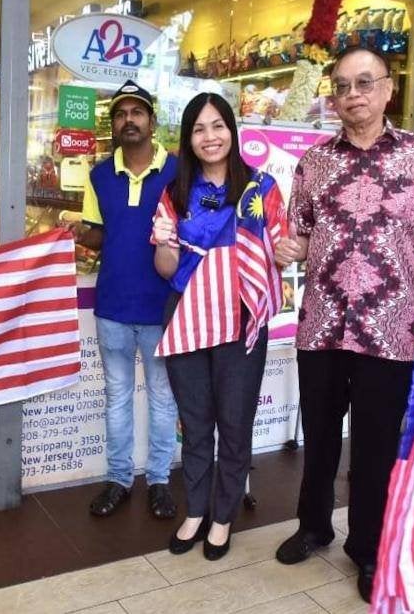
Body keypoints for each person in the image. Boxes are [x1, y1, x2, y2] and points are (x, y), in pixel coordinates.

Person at [273, 45, 414, 602]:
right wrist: (288, 249)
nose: (353, 94)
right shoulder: (314, 162)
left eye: (364, 83)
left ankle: (369, 545)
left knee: (376, 446)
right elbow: (300, 235)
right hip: (322, 325)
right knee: (321, 434)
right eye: (343, 86)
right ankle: (313, 525)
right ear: (333, 96)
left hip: (392, 331)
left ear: (386, 90)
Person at [151, 93, 286, 560]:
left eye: (218, 126)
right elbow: (165, 268)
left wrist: (288, 252)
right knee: (194, 421)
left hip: (241, 315)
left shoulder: (262, 189)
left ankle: (223, 515)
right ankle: (195, 510)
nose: (210, 137)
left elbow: (281, 250)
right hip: (188, 314)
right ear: (188, 139)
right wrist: (167, 246)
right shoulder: (175, 193)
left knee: (234, 420)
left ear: (232, 130)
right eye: (199, 129)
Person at [76, 80, 179, 520]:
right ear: (114, 123)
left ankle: (159, 480)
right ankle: (118, 478)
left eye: (137, 113)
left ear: (152, 122)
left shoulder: (179, 171)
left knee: (162, 398)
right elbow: (100, 235)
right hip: (113, 305)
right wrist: (81, 234)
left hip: (161, 307)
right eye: (121, 114)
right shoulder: (98, 175)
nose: (129, 120)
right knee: (116, 396)